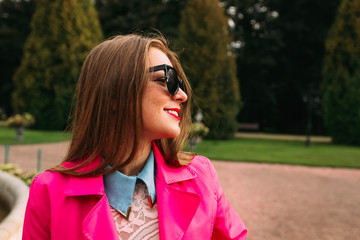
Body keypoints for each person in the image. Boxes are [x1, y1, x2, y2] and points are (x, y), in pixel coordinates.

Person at [22, 33, 247, 240]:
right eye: (166, 80)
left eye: (179, 84)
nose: (182, 95)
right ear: (113, 94)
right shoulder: (49, 192)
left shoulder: (202, 177)